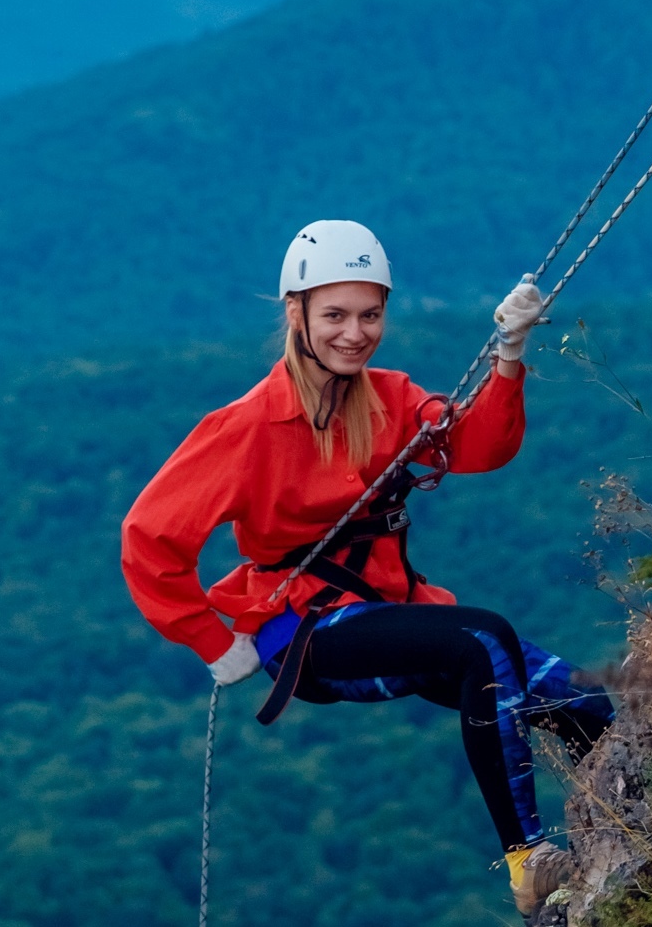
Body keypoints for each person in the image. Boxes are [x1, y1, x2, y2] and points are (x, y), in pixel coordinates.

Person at [120, 219, 614, 919]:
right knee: (480, 640)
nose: (354, 332)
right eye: (335, 316)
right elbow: (149, 536)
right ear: (296, 314)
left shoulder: (388, 397)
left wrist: (509, 355)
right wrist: (209, 639)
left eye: (369, 314)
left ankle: (626, 843)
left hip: (385, 611)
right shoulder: (246, 427)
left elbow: (474, 447)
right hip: (303, 634)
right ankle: (528, 860)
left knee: (587, 707)